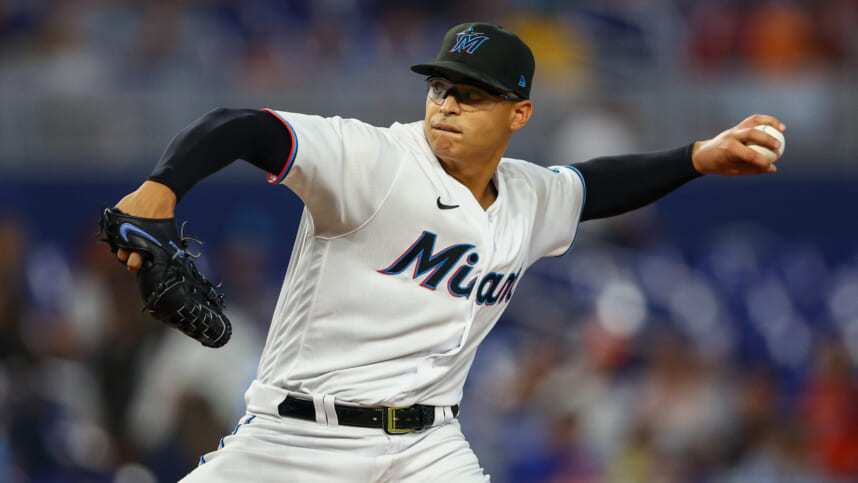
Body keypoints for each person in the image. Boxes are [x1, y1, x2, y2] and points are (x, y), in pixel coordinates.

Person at [107, 22, 785, 482]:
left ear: (519, 113)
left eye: (471, 94)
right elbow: (243, 127)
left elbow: (594, 186)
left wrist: (698, 157)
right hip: (299, 439)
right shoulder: (376, 160)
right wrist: (160, 190)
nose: (447, 105)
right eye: (440, 87)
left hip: (427, 449)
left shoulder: (528, 196)